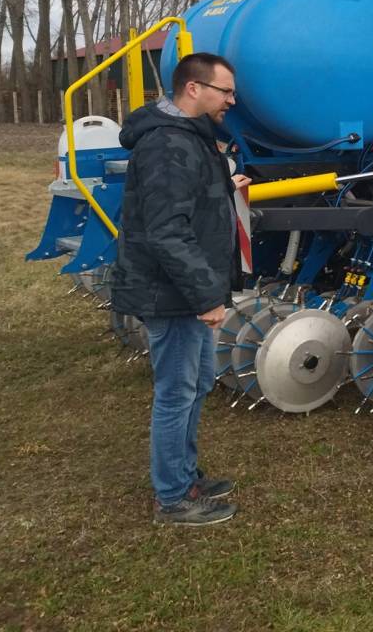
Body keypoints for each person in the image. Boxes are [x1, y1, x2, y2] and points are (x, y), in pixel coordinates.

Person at [110, 52, 248, 526]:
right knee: (176, 391)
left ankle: (185, 475)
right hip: (169, 292)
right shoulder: (168, 144)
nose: (232, 99)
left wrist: (226, 185)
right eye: (224, 91)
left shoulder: (190, 139)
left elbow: (188, 203)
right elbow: (166, 231)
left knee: (198, 382)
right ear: (194, 89)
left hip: (182, 289)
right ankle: (173, 497)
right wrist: (206, 296)